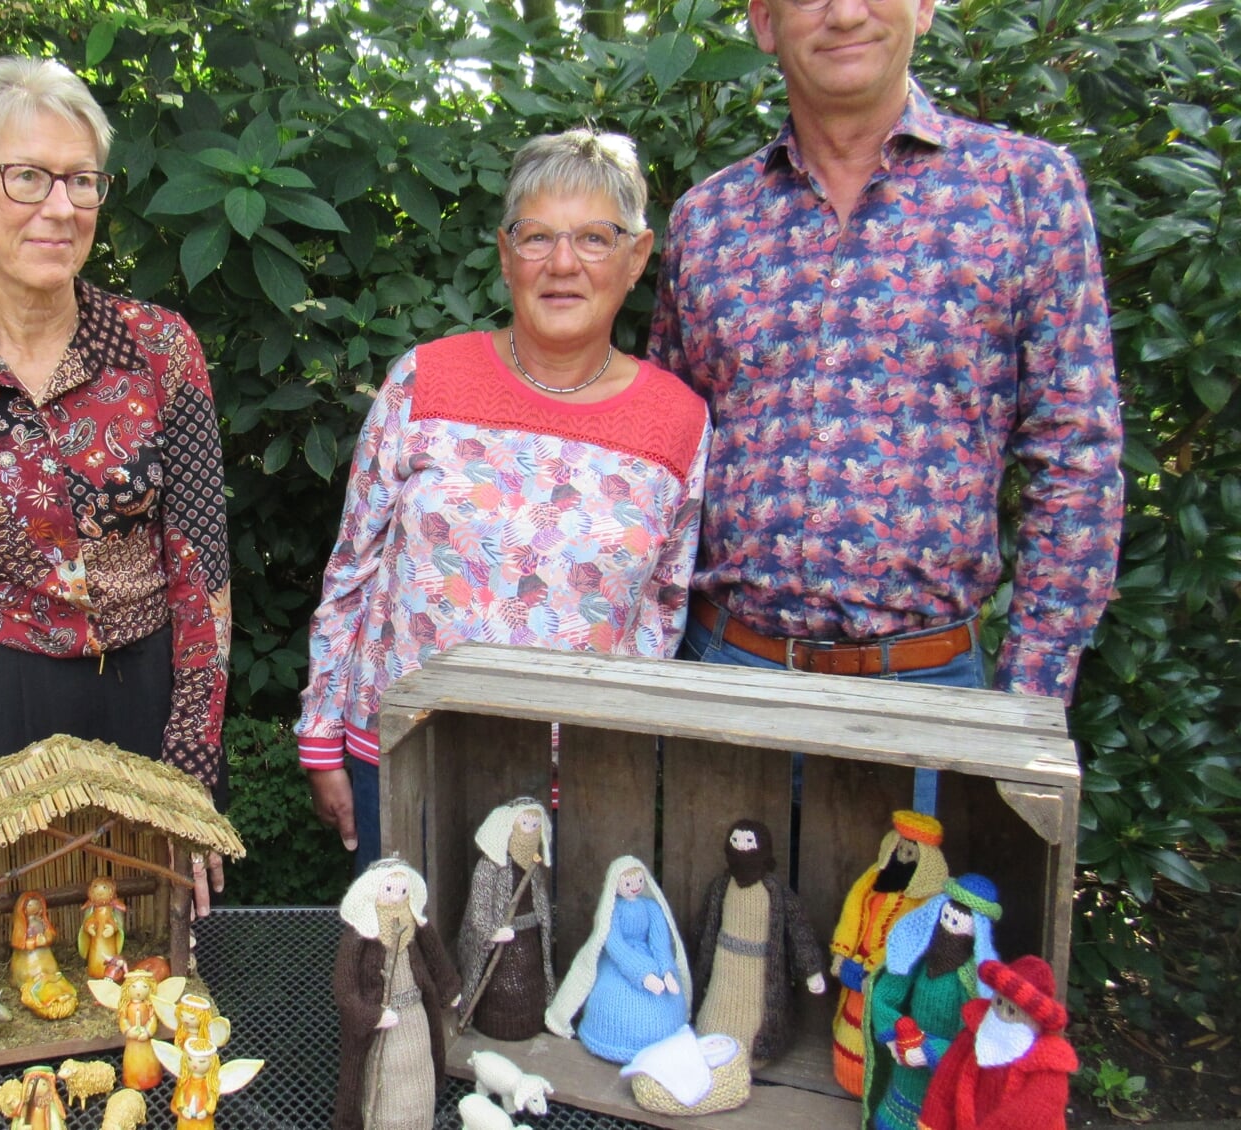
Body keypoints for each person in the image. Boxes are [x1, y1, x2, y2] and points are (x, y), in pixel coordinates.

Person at [648, 0, 1124, 810]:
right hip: (721, 681)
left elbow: (1078, 457)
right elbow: (660, 460)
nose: (842, 13)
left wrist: (1026, 707)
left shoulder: (1024, 189)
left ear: (925, 8)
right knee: (712, 933)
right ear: (764, 23)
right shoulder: (709, 221)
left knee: (899, 934)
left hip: (931, 698)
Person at [0, 56, 230, 904]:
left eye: (81, 181)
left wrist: (191, 770)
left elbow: (203, 572)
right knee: (16, 952)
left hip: (149, 696)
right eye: (27, 177)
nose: (60, 208)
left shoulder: (160, 350)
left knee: (152, 952)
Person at [299, 128, 712, 866]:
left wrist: (613, 751)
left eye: (594, 238)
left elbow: (664, 611)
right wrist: (320, 734)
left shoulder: (678, 420)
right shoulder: (424, 381)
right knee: (399, 970)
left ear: (636, 257)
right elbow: (352, 568)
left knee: (550, 974)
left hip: (572, 780)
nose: (562, 264)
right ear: (504, 252)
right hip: (401, 755)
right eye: (537, 237)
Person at [864, 875, 1003, 1130]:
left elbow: (971, 1038)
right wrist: (892, 1033)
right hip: (906, 1055)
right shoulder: (922, 957)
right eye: (946, 916)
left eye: (958, 922)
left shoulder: (970, 981)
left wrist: (931, 1050)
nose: (949, 925)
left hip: (940, 1070)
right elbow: (888, 992)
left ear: (977, 930)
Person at [333, 858, 462, 1130]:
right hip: (382, 1029)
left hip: (415, 1017)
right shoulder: (358, 937)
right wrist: (371, 1015)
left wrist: (450, 989)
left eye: (403, 892)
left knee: (420, 1077)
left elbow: (436, 957)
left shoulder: (414, 925)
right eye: (390, 891)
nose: (397, 898)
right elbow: (345, 992)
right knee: (386, 1085)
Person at [831, 810, 950, 1096]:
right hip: (855, 964)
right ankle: (846, 1072)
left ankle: (872, 1082)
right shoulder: (871, 882)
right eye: (901, 848)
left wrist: (875, 967)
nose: (904, 855)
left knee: (877, 1027)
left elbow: (909, 939)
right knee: (851, 1026)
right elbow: (852, 914)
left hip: (888, 974)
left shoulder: (924, 902)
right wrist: (842, 953)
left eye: (912, 851)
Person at [691, 819, 826, 1062]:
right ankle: (711, 1047)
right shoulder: (722, 886)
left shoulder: (774, 890)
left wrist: (811, 969)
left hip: (759, 971)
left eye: (749, 842)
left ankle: (751, 1053)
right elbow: (705, 925)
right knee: (714, 1017)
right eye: (736, 841)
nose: (742, 848)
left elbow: (799, 931)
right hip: (724, 965)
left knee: (755, 1019)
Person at [546, 855, 691, 1063]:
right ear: (616, 885)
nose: (634, 887)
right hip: (621, 962)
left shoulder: (652, 908)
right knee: (612, 991)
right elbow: (615, 946)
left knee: (667, 994)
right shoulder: (612, 913)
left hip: (650, 955)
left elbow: (660, 942)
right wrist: (643, 972)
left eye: (639, 881)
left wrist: (666, 969)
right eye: (628, 883)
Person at [918, 956, 1078, 1130]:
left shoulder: (1048, 1064)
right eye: (999, 1002)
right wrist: (932, 1123)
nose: (1002, 1013)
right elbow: (944, 1085)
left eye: (1012, 1011)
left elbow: (1031, 1113)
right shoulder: (974, 1034)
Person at [454, 797, 555, 1040]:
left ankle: (533, 1022)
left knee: (529, 985)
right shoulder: (489, 867)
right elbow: (478, 906)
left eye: (535, 826)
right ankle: (492, 1022)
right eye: (525, 824)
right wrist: (491, 932)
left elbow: (539, 898)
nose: (530, 831)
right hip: (502, 945)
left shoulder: (534, 866)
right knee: (503, 988)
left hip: (529, 938)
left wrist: (542, 923)